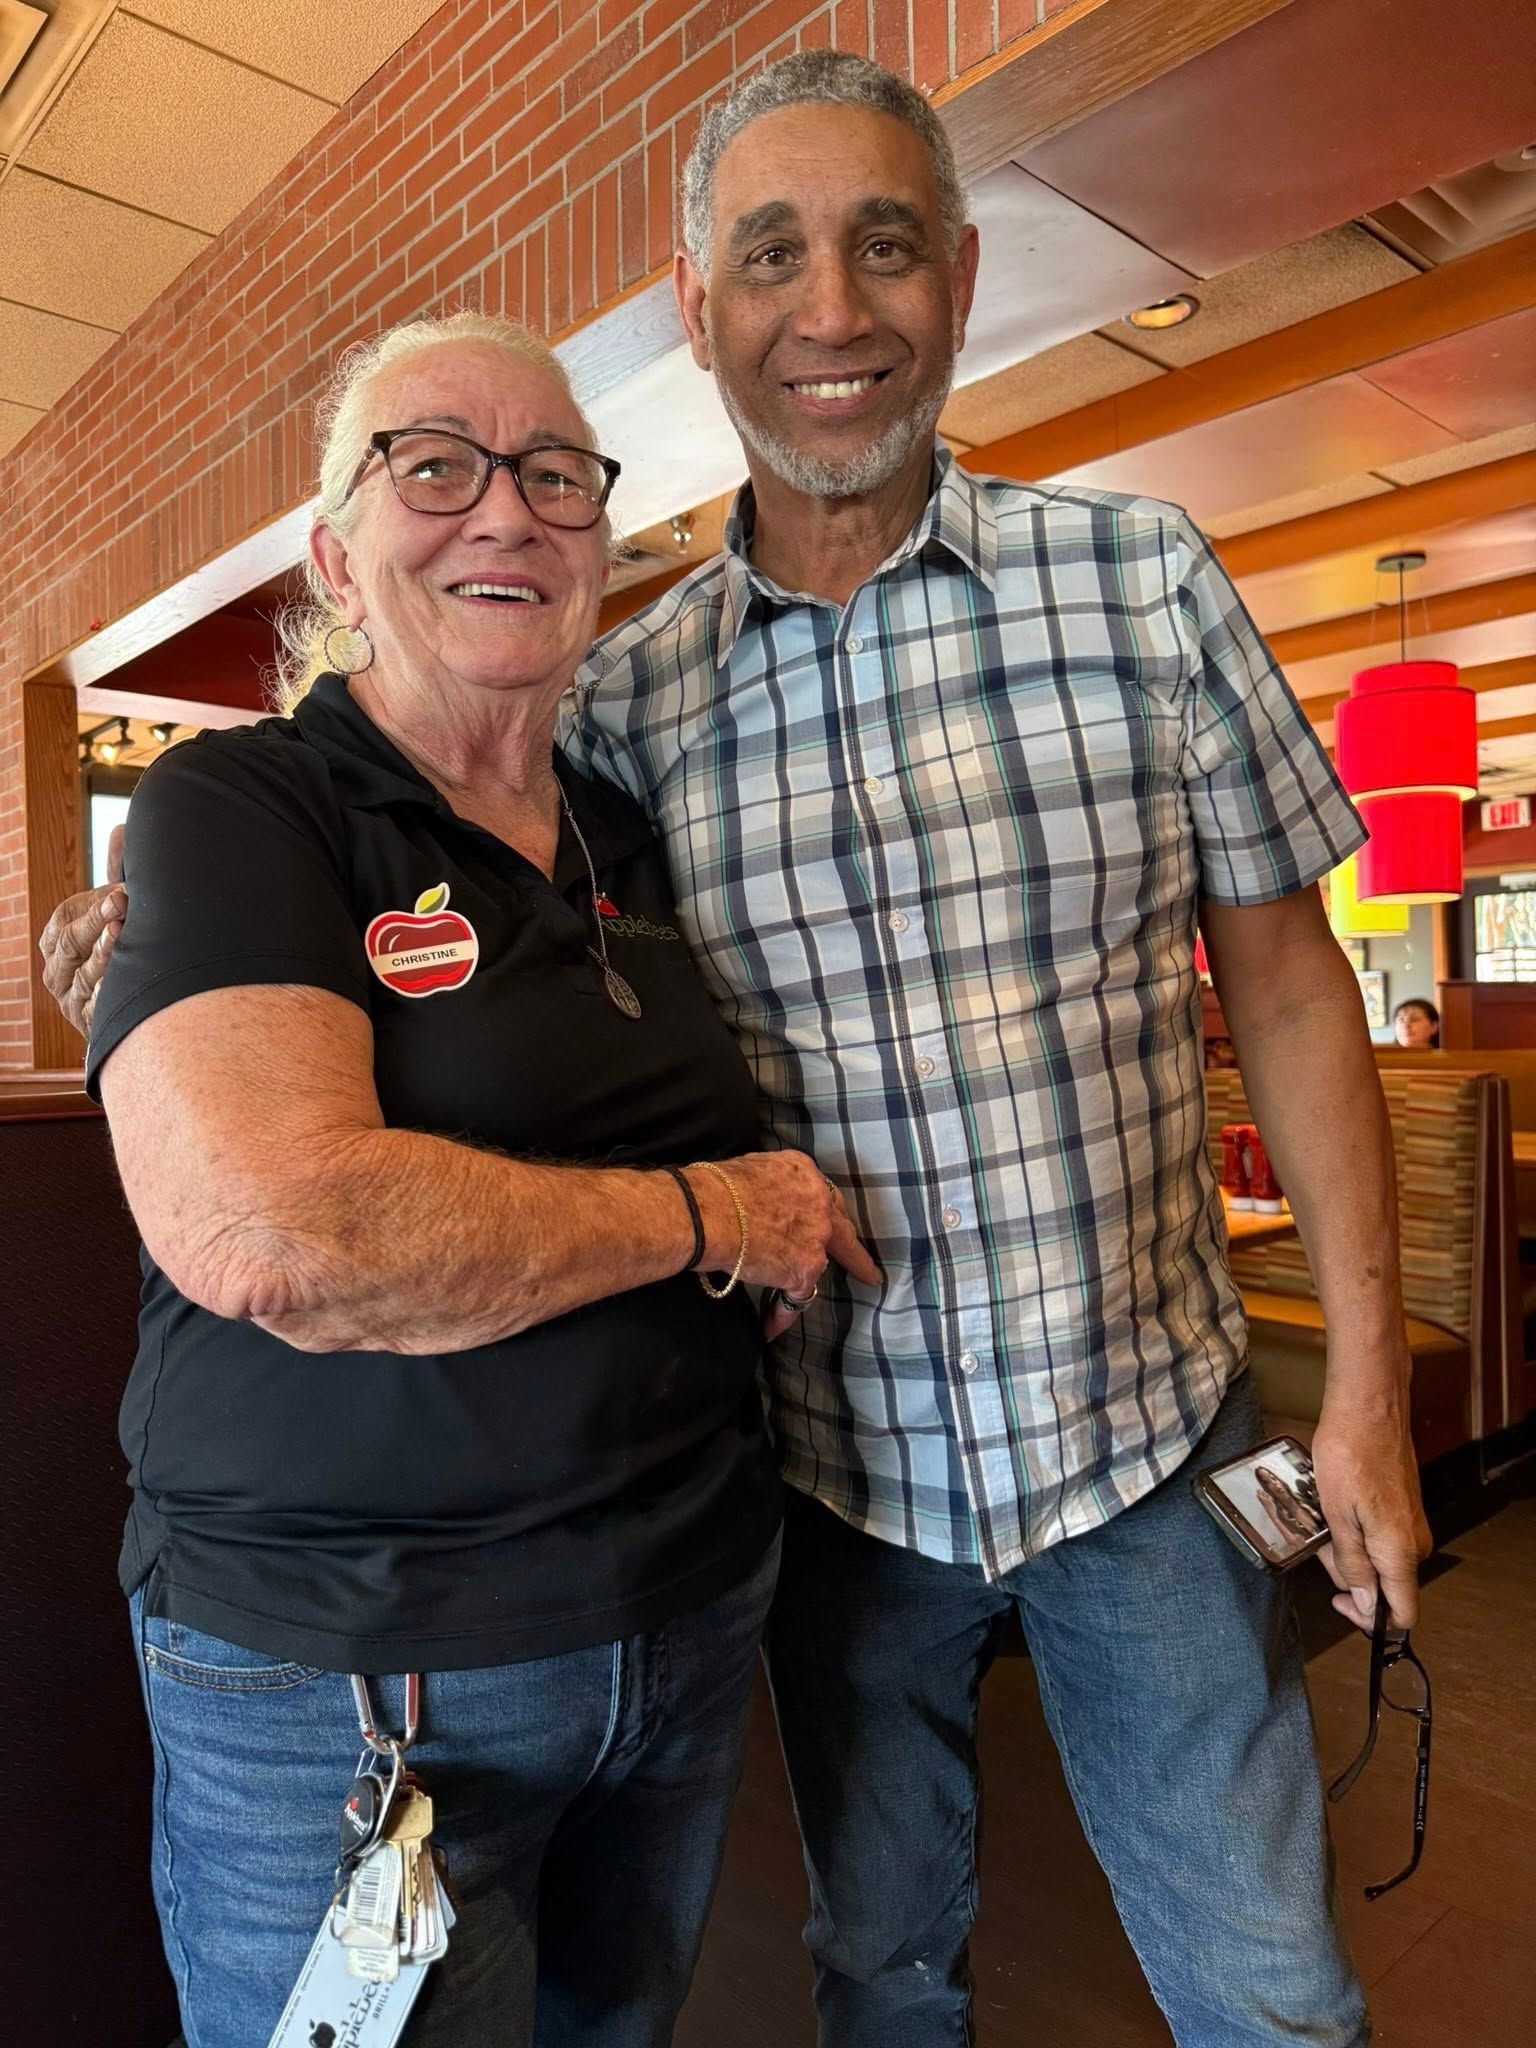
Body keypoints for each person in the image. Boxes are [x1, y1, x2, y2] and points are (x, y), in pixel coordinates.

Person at [43, 49, 1431, 2048]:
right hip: (819, 1503)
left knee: (1275, 1990)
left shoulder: (1141, 588)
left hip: (1128, 1448)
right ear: (700, 317)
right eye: (771, 254)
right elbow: (326, 1122)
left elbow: (1295, 983)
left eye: (884, 246)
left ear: (961, 276)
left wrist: (1369, 1388)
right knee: (880, 1978)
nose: (833, 308)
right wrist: (155, 977)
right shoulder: (615, 708)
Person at [45, 309, 876, 2048]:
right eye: (435, 464)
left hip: (677, 1617)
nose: (504, 511)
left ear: (599, 544)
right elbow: (289, 1232)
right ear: (340, 554)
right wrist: (725, 1209)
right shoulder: (243, 807)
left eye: (554, 474)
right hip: (358, 1681)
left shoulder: (620, 833)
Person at [1255, 1463, 1327, 1546]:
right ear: (1266, 1489)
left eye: (1273, 1478)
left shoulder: (1303, 1499)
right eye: (1267, 1483)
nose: (1274, 1483)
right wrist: (1273, 1517)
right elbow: (1296, 1544)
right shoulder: (1283, 1518)